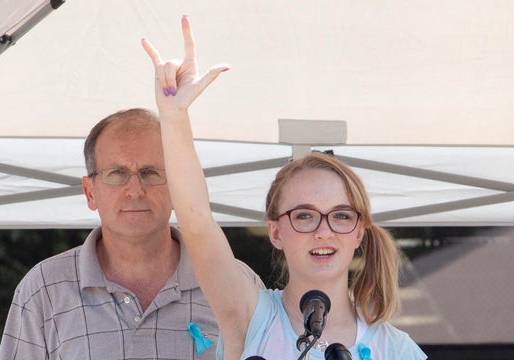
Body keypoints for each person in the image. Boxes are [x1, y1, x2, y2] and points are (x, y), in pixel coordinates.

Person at [142, 15, 427, 360]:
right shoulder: (252, 317)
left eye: (340, 216)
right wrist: (174, 117)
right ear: (276, 232)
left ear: (359, 232)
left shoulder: (395, 349)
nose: (324, 232)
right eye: (304, 215)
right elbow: (197, 222)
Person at [0, 108, 264, 359]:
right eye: (117, 173)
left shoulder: (236, 282)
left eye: (150, 173)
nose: (135, 190)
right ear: (91, 192)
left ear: (177, 186)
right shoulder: (44, 288)